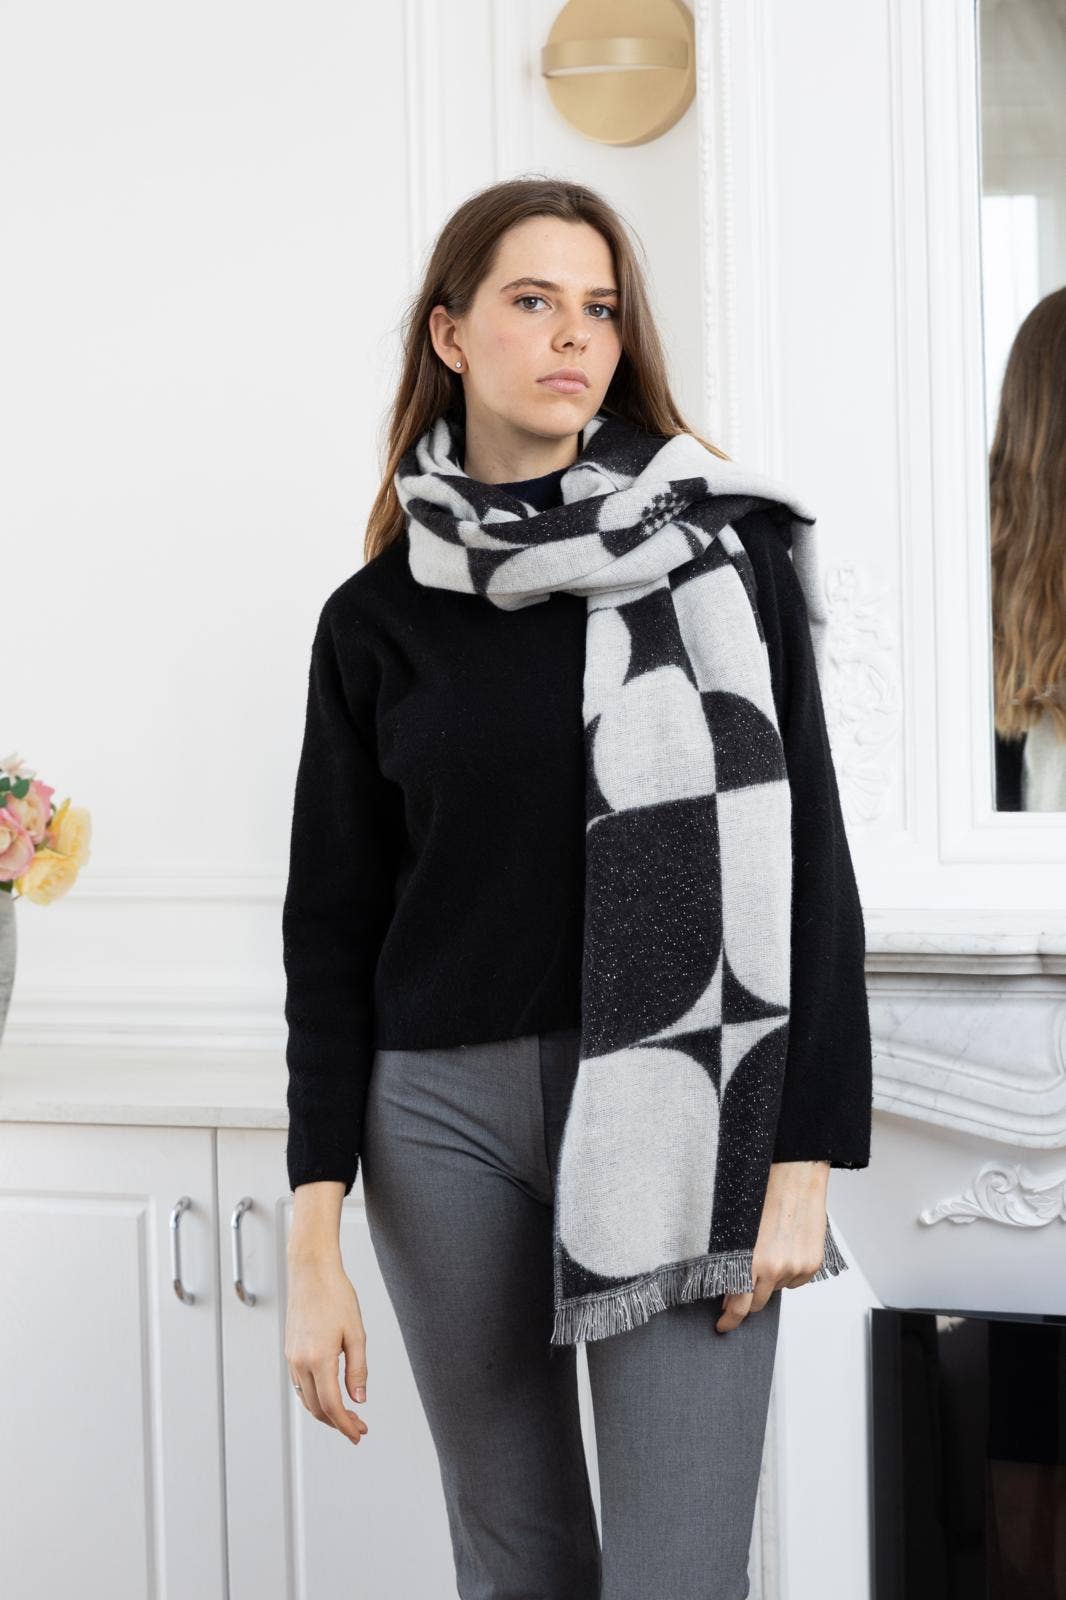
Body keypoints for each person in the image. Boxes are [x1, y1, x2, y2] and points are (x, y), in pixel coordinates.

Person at [282, 175, 872, 1600]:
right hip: (440, 1122)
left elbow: (813, 865)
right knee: (518, 1563)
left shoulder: (726, 559)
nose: (573, 337)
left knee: (681, 1573)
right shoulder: (376, 618)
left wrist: (804, 1157)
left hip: (693, 1100)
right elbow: (330, 930)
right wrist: (312, 1240)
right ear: (449, 334)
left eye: (599, 308)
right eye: (532, 301)